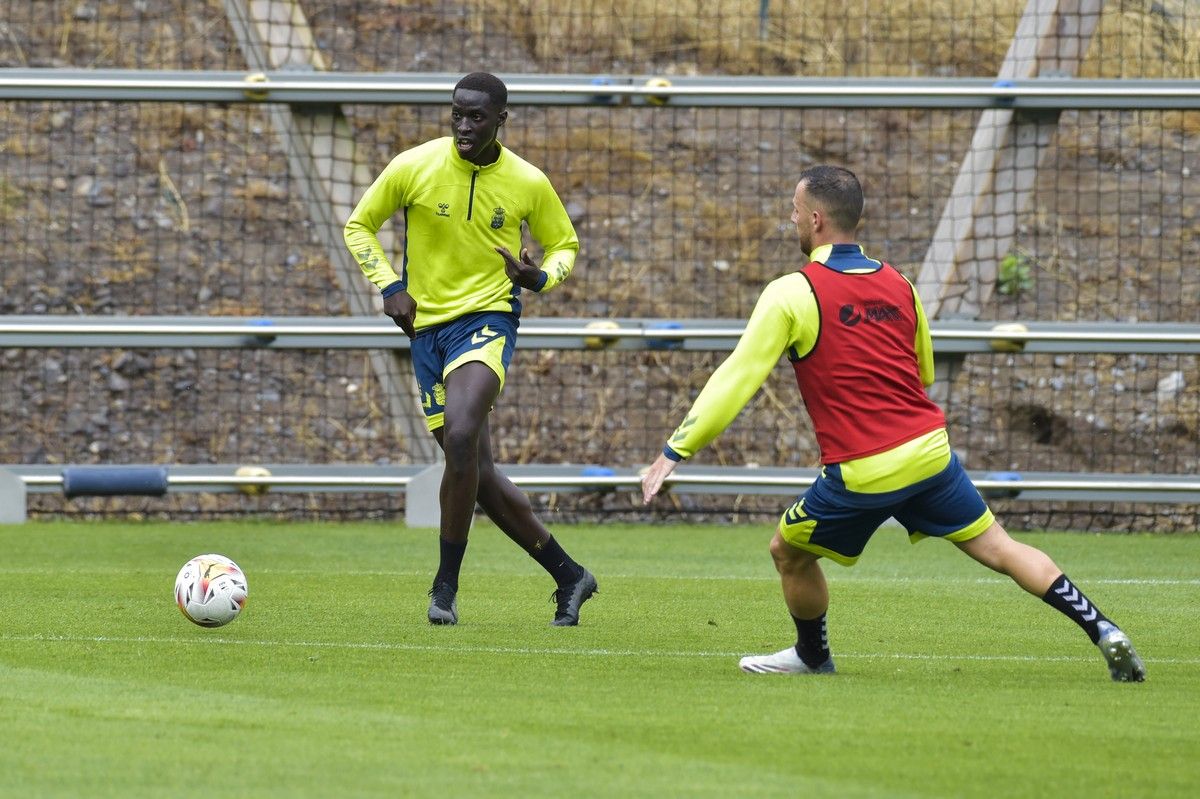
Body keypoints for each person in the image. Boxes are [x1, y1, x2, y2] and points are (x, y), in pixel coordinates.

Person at [641, 164, 1145, 682]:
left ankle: (813, 656)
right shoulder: (899, 282)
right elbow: (924, 370)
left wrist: (675, 451)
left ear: (815, 220)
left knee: (787, 552)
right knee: (1001, 548)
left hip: (865, 468)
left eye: (793, 212)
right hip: (930, 453)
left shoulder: (791, 292)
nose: (790, 220)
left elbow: (737, 378)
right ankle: (1104, 629)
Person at [344, 72, 597, 627]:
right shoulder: (415, 165)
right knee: (472, 469)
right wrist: (390, 286)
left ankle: (444, 586)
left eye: (476, 117)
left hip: (487, 320)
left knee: (460, 436)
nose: (463, 125)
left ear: (500, 120)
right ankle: (570, 575)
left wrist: (538, 278)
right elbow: (359, 226)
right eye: (457, 114)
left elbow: (565, 246)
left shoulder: (527, 181)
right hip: (426, 333)